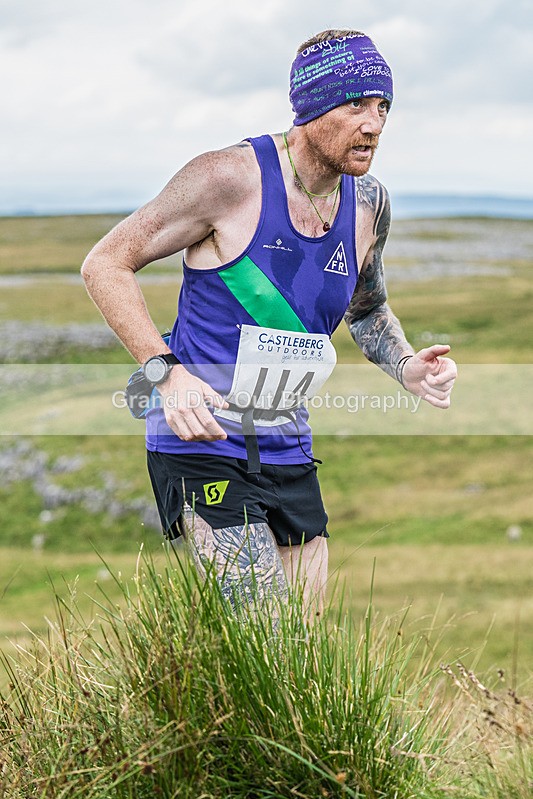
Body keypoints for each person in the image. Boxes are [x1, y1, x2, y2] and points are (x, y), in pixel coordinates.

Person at [81, 28, 457, 617]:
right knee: (262, 631)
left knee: (301, 658)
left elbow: (367, 307)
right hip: (203, 440)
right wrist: (167, 373)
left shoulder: (369, 204)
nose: (375, 124)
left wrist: (406, 365)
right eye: (356, 104)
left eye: (384, 107)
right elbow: (105, 262)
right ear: (311, 108)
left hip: (288, 445)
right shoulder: (228, 178)